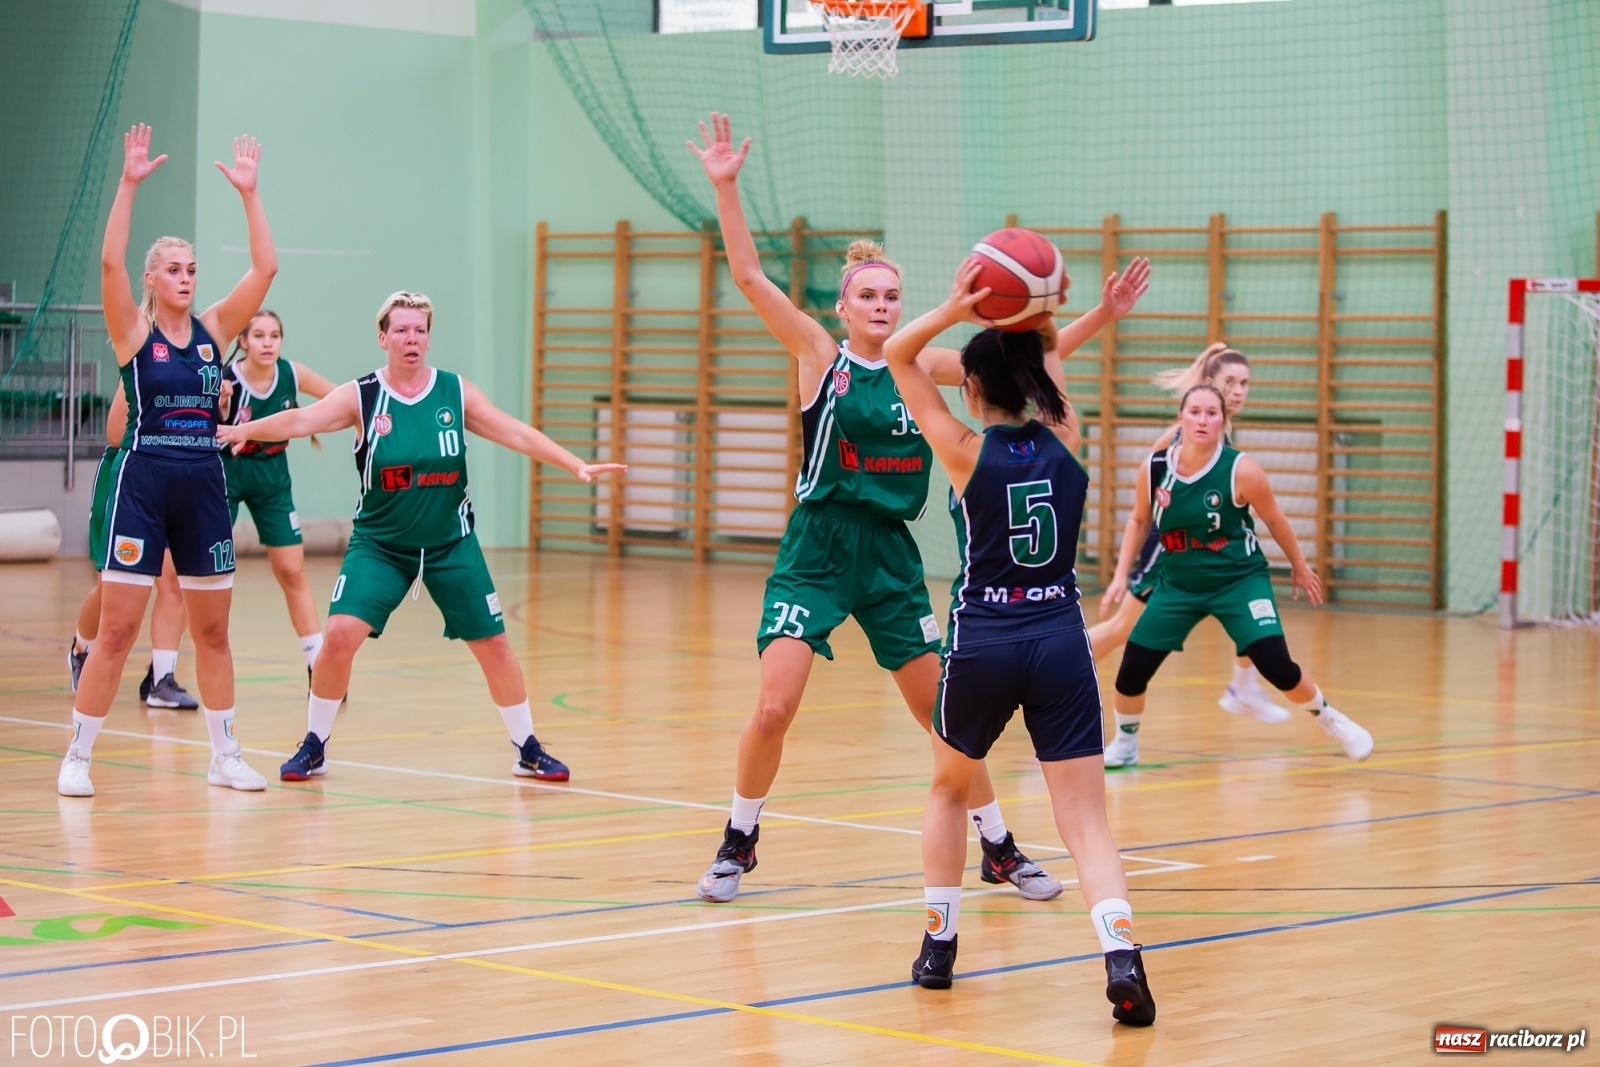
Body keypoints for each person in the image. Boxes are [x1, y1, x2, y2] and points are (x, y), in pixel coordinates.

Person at [687, 112, 1105, 904]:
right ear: (844, 307)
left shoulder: (935, 364)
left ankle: (999, 845)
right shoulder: (820, 355)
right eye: (870, 295)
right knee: (775, 704)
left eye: (893, 297)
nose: (882, 306)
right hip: (816, 546)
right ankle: (739, 838)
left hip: (889, 556)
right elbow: (748, 278)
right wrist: (726, 186)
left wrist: (1092, 317)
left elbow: (1032, 365)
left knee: (949, 719)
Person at [883, 260, 1155, 1025]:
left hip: (984, 639)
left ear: (969, 390)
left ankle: (939, 945)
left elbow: (900, 355)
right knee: (1086, 823)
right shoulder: (1068, 438)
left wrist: (952, 307)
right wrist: (1065, 311)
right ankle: (1121, 954)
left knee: (947, 787)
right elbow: (1049, 370)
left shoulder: (965, 451)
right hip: (1061, 639)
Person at [217, 291, 624, 782]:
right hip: (381, 545)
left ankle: (527, 747)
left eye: (420, 330)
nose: (412, 339)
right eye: (403, 330)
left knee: (494, 645)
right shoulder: (362, 395)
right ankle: (314, 743)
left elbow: (514, 431)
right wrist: (242, 431)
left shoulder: (454, 391)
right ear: (383, 337)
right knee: (340, 635)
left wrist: (574, 463)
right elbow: (302, 419)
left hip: (451, 543)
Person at [59, 124, 276, 797]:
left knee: (213, 630)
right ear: (153, 278)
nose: (184, 278)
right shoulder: (135, 332)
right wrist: (127, 183)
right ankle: (78, 754)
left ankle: (225, 754)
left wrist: (250, 195)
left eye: (191, 269)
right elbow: (107, 265)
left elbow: (265, 269)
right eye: (173, 269)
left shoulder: (214, 330)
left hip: (204, 485)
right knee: (120, 627)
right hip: (145, 479)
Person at [1100, 384, 1375, 768]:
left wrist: (1299, 565)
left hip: (1239, 580)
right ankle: (1126, 744)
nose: (1202, 420)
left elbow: (1275, 518)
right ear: (1180, 417)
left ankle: (1332, 719)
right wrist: (1119, 577)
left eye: (1212, 413)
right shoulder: (1155, 469)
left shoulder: (1241, 469)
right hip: (1178, 582)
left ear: (1223, 421)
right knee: (1132, 671)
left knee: (1275, 663)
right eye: (1194, 411)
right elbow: (1139, 520)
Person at [1088, 344, 1291, 724]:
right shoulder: (1184, 432)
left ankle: (1243, 686)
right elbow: (1151, 480)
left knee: (1246, 594)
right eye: (1230, 382)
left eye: (1245, 383)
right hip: (1166, 548)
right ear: (1211, 384)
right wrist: (1121, 571)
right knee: (1122, 629)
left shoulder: (1220, 429)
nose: (1239, 390)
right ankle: (1055, 673)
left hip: (1199, 547)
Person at [220, 309, 337, 680]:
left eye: (274, 336)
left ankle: (316, 662)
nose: (267, 343)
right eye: (258, 336)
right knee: (207, 571)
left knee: (292, 570)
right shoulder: (226, 379)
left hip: (272, 476)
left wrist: (361, 424)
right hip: (228, 472)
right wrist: (220, 408)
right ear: (243, 342)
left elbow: (340, 398)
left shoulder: (291, 373)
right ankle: (163, 669)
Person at [70, 389, 199, 709]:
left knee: (174, 582)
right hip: (127, 475)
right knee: (109, 590)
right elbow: (115, 434)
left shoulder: (199, 360)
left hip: (173, 475)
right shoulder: (141, 360)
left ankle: (161, 680)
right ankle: (81, 650)